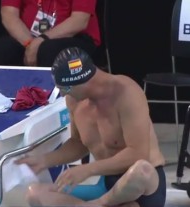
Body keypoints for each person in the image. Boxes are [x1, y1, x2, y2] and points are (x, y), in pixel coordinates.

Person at [15, 47, 166, 207]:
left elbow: (138, 153)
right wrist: (45, 160)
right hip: (108, 185)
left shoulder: (126, 92)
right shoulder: (75, 100)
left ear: (84, 81)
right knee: (36, 194)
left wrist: (88, 169)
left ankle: (100, 204)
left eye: (65, 89)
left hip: (141, 188)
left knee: (142, 170)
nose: (64, 95)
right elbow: (78, 143)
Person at [0, 0, 101, 67]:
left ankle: (51, 105)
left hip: (74, 37)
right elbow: (9, 14)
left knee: (48, 50)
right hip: (28, 37)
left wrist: (40, 42)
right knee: (2, 49)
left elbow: (79, 21)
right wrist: (30, 45)